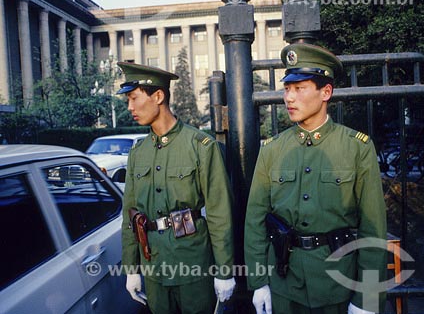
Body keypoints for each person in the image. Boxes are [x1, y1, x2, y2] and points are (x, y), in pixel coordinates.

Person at [244, 43, 387, 314]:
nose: (289, 98)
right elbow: (255, 221)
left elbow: (373, 228)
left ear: (326, 92)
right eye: (287, 88)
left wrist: (367, 299)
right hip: (284, 284)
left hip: (336, 283)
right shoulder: (273, 149)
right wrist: (259, 282)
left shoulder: (357, 147)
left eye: (299, 89)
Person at [118, 62, 236, 313]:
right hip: (153, 267)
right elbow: (130, 214)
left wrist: (225, 271)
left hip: (192, 265)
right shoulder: (138, 152)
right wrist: (131, 268)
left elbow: (219, 214)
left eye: (134, 98)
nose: (130, 107)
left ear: (158, 96)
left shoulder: (201, 146)